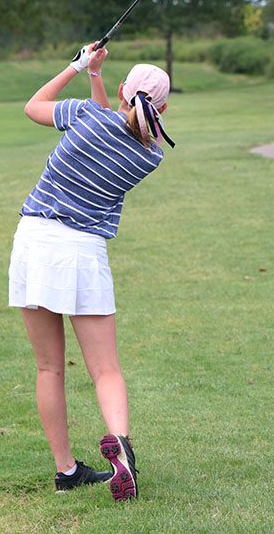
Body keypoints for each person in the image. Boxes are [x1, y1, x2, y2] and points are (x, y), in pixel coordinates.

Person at [9, 42, 173, 501]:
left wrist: (79, 67)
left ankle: (66, 471)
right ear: (162, 109)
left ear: (123, 89)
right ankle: (122, 449)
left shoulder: (84, 115)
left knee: (48, 367)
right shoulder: (151, 155)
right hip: (83, 253)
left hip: (35, 241)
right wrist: (99, 79)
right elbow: (121, 126)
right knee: (105, 370)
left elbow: (33, 107)